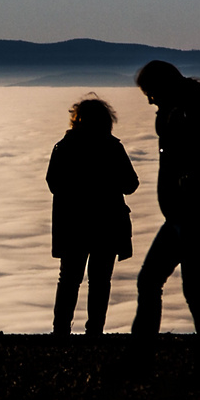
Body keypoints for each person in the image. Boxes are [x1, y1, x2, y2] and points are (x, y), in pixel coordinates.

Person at [130, 60, 200, 343]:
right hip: (186, 215)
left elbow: (196, 159)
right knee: (184, 289)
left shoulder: (184, 112)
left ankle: (147, 361)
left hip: (191, 215)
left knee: (178, 288)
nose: (149, 100)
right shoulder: (189, 107)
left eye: (150, 91)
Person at [46, 96, 138, 335]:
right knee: (99, 281)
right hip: (107, 223)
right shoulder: (112, 147)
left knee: (69, 279)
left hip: (72, 224)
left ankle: (60, 332)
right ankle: (95, 332)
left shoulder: (64, 147)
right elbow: (130, 184)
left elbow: (53, 183)